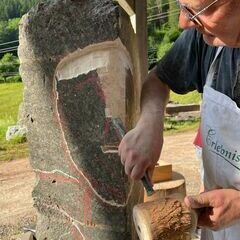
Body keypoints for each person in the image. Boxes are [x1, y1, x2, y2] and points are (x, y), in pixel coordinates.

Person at [118, 0, 240, 239]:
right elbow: (159, 79)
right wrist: (149, 123)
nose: (183, 22)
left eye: (198, 10)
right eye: (181, 5)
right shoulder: (207, 38)